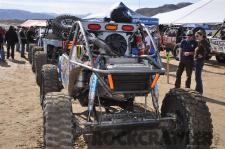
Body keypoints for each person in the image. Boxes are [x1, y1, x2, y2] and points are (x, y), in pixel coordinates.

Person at [194, 30, 207, 95]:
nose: (196, 37)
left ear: (201, 35)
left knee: (198, 77)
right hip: (198, 61)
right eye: (195, 36)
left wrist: (199, 56)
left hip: (199, 61)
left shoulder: (203, 42)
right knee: (197, 76)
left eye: (197, 36)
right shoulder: (201, 42)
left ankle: (199, 92)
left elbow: (204, 52)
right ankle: (198, 90)